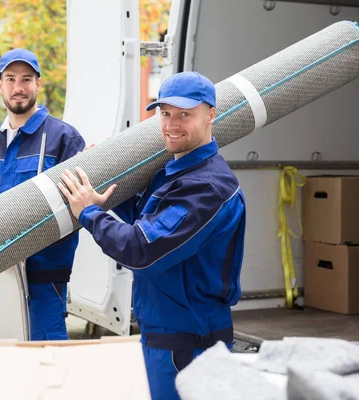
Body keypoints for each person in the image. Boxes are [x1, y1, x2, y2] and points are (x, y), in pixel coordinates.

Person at [57, 71, 246, 399]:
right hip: (166, 338)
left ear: (211, 115)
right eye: (165, 113)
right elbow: (149, 223)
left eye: (184, 114)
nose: (172, 124)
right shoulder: (176, 173)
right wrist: (107, 186)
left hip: (189, 347)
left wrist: (89, 213)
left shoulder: (208, 187)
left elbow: (142, 251)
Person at [0, 48, 85, 340]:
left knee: (48, 368)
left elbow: (78, 211)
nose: (18, 87)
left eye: (26, 79)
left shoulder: (64, 138)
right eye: (10, 79)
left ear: (38, 83)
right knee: (7, 366)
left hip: (44, 281)